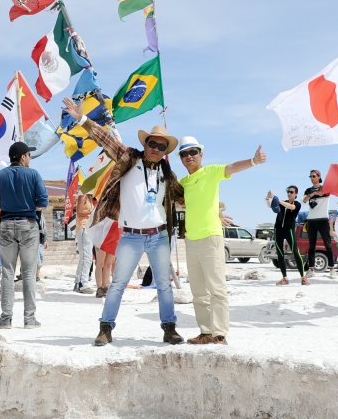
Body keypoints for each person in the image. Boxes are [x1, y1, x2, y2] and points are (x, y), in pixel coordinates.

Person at [63, 96, 185, 347]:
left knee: (164, 284)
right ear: (146, 143)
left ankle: (169, 328)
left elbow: (186, 198)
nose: (156, 149)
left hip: (159, 235)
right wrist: (82, 118)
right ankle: (105, 328)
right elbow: (105, 138)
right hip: (130, 235)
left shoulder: (166, 173)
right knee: (117, 283)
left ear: (165, 151)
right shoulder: (129, 157)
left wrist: (215, 208)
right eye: (152, 143)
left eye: (161, 147)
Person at [178, 136, 266, 345]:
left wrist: (253, 161)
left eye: (193, 152)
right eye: (184, 153)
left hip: (211, 238)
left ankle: (219, 334)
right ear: (180, 158)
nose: (189, 156)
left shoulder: (211, 171)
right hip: (191, 240)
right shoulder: (182, 183)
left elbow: (233, 167)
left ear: (201, 154)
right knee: (198, 292)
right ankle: (205, 331)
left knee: (216, 289)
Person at [0, 141, 48, 329]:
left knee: (7, 273)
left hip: (6, 225)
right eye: (28, 155)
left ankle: (6, 318)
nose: (29, 158)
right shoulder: (33, 174)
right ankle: (29, 319)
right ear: (23, 157)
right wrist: (30, 206)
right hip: (28, 225)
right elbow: (43, 201)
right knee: (29, 273)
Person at [265, 186, 306, 285]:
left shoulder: (297, 204)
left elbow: (291, 207)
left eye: (291, 192)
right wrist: (268, 198)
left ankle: (303, 277)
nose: (289, 193)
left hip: (289, 230)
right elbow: (270, 206)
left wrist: (278, 200)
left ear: (296, 194)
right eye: (288, 191)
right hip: (278, 229)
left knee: (296, 253)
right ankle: (284, 278)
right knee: (280, 254)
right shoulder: (282, 202)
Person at [302, 169, 337, 279]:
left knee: (328, 244)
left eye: (314, 176)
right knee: (311, 246)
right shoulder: (308, 190)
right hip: (311, 220)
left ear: (318, 177)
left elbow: (325, 193)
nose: (312, 178)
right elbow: (304, 200)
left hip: (323, 220)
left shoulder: (324, 188)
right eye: (310, 176)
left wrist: (317, 193)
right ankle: (311, 269)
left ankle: (332, 269)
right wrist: (311, 194)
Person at [73, 193, 96, 294]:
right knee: (86, 258)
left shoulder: (91, 198)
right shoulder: (83, 196)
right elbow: (79, 212)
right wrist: (92, 211)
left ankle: (78, 282)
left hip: (88, 229)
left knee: (85, 258)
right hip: (83, 227)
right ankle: (83, 283)